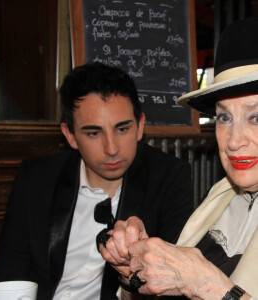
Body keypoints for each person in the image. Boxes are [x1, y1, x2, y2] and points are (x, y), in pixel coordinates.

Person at [0, 62, 193, 300]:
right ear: (70, 135)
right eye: (94, 133)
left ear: (140, 127)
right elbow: (7, 279)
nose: (112, 148)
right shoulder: (36, 179)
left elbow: (173, 288)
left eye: (122, 129)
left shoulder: (169, 178)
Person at [99, 18, 258, 300]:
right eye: (224, 117)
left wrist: (207, 285)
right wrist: (137, 272)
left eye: (255, 117)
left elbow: (200, 283)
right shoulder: (221, 196)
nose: (234, 140)